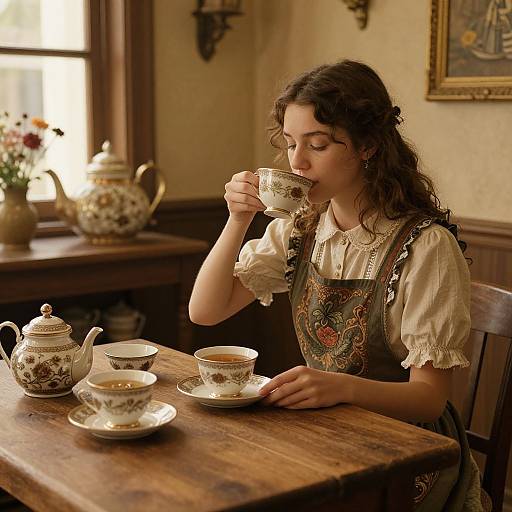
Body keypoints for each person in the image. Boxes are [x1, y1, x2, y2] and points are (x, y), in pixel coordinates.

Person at [188, 60, 483, 511]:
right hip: (328, 430)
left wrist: (339, 387)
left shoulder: (426, 248)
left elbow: (429, 399)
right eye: (290, 145)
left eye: (318, 144)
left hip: (410, 450)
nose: (298, 163)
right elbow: (204, 312)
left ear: (366, 145)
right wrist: (237, 220)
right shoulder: (301, 230)